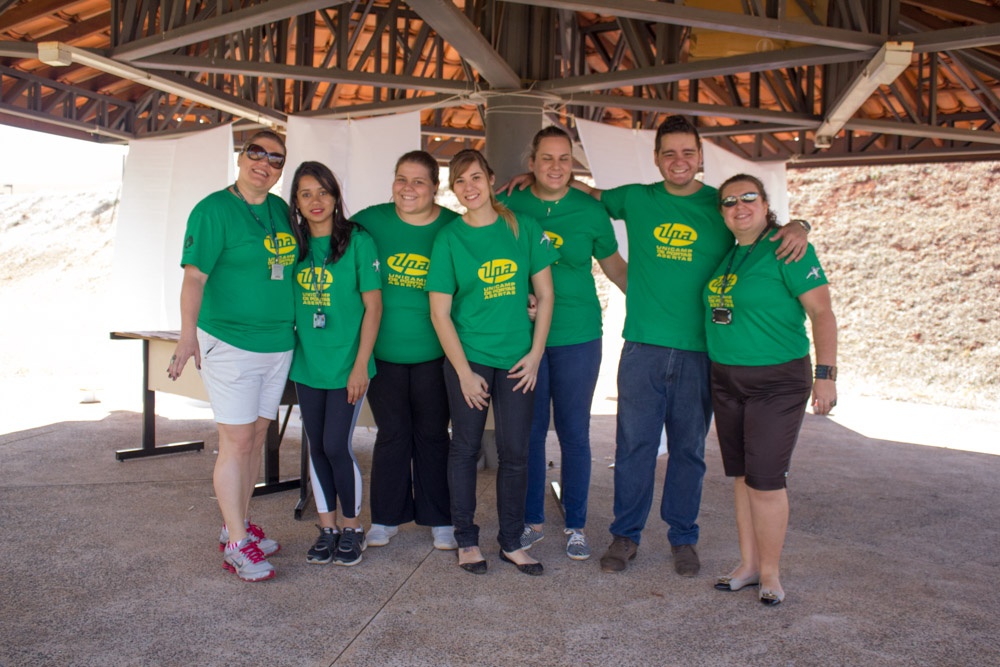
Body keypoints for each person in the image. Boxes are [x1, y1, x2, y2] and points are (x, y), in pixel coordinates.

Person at [507, 116, 809, 576]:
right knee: (634, 447)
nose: (679, 161)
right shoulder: (637, 198)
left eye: (688, 152)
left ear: (700, 156)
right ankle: (625, 537)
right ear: (656, 157)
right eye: (669, 152)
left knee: (688, 450)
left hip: (701, 349)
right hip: (642, 347)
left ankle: (683, 537)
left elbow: (759, 227)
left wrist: (800, 224)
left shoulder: (721, 205)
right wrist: (535, 175)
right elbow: (582, 193)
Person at [168, 131, 296, 582]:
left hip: (278, 343)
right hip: (231, 343)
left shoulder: (281, 210)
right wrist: (187, 337)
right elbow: (195, 278)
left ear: (282, 168)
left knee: (258, 436)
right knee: (237, 441)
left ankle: (236, 527)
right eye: (255, 153)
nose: (264, 163)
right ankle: (238, 547)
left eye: (275, 159)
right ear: (241, 157)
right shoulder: (212, 210)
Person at [706, 174, 837, 606]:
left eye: (749, 198)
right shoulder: (730, 253)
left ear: (765, 204)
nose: (739, 206)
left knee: (766, 480)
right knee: (743, 478)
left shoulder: (789, 248)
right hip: (727, 378)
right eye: (729, 201)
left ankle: (772, 574)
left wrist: (826, 374)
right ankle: (747, 565)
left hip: (777, 380)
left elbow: (821, 312)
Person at [426, 149, 558, 576]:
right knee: (463, 449)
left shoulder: (521, 227)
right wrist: (463, 372)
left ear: (491, 178)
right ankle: (466, 539)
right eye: (460, 181)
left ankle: (511, 541)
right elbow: (440, 312)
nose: (470, 188)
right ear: (453, 189)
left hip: (519, 359)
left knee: (515, 453)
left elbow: (547, 294)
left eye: (476, 177)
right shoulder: (449, 237)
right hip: (470, 358)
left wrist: (536, 354)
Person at [498, 127, 627, 561]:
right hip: (523, 336)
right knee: (530, 433)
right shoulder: (510, 204)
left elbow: (616, 270)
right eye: (547, 158)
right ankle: (532, 519)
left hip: (578, 335)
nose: (556, 166)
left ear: (573, 166)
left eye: (564, 159)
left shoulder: (590, 212)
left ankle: (575, 524)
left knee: (575, 433)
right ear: (531, 163)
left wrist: (656, 306)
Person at [353, 151, 458, 551]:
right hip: (384, 351)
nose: (408, 188)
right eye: (401, 179)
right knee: (392, 434)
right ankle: (385, 518)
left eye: (418, 181)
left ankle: (440, 519)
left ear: (435, 187)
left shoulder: (453, 225)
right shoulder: (369, 222)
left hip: (437, 352)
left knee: (433, 435)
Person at [288, 161, 382, 567]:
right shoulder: (292, 243)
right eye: (306, 193)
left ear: (335, 195)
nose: (316, 201)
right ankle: (327, 528)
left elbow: (374, 307)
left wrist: (360, 365)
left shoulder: (358, 240)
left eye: (323, 192)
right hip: (308, 364)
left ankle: (352, 528)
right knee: (316, 449)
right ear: (296, 200)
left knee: (336, 445)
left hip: (348, 364)